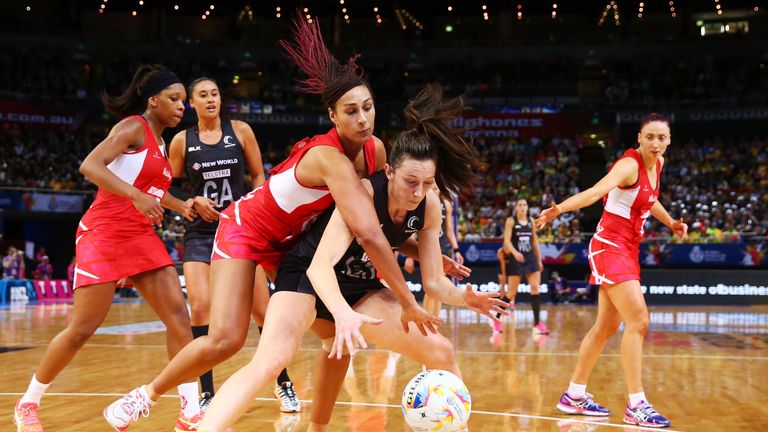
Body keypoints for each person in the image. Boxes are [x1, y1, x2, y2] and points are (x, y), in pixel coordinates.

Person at [105, 15, 442, 430]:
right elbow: (370, 234)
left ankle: (313, 421)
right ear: (333, 117)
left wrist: (422, 247)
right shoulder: (328, 158)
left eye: (368, 108)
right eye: (350, 111)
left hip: (291, 242)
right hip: (247, 231)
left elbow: (373, 227)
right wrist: (409, 301)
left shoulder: (375, 150)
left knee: (334, 336)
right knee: (226, 338)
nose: (362, 118)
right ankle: (146, 395)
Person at [197, 83, 508, 432]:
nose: (418, 192)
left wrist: (463, 297)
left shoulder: (429, 206)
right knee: (271, 361)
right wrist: (342, 313)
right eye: (410, 182)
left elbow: (434, 281)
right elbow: (319, 266)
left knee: (441, 350)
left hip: (360, 286)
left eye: (427, 184)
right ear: (389, 172)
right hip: (308, 275)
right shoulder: (360, 192)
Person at [14, 65, 202, 432]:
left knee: (180, 321)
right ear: (153, 100)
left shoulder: (162, 144)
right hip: (103, 231)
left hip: (140, 233)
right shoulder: (133, 127)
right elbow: (90, 165)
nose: (183, 106)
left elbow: (150, 188)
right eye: (174, 99)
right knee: (82, 328)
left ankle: (190, 414)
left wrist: (183, 205)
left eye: (184, 100)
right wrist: (134, 195)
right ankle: (28, 402)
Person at [537, 113, 687, 428]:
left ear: (669, 140)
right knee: (639, 321)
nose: (656, 143)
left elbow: (649, 201)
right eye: (650, 137)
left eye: (662, 138)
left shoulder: (658, 165)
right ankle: (636, 404)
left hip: (627, 249)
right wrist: (559, 210)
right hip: (609, 247)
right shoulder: (629, 165)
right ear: (639, 138)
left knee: (605, 328)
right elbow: (594, 193)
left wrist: (671, 222)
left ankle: (574, 395)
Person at [167, 77, 299, 413]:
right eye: (203, 95)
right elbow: (167, 187)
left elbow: (259, 176)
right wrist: (191, 200)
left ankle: (283, 382)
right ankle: (206, 392)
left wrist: (256, 207)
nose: (211, 99)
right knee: (200, 308)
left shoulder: (240, 131)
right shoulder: (182, 141)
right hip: (199, 232)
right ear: (191, 103)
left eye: (214, 94)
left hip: (240, 230)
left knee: (262, 310)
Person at [503, 198, 550, 335]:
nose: (522, 207)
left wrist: (539, 260)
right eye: (520, 205)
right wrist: (515, 253)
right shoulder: (511, 221)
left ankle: (537, 324)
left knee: (535, 288)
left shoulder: (530, 221)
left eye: (524, 204)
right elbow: (506, 241)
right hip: (516, 259)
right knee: (511, 293)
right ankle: (496, 318)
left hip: (530, 258)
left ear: (527, 207)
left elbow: (535, 242)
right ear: (516, 208)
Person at [420, 183, 463, 317]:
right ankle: (427, 318)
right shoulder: (423, 202)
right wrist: (410, 256)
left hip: (444, 247)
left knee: (439, 285)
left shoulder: (446, 205)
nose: (434, 189)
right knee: (433, 286)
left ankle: (434, 321)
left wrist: (456, 250)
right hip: (428, 247)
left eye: (436, 187)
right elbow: (416, 229)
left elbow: (449, 231)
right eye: (431, 187)